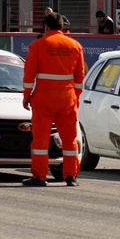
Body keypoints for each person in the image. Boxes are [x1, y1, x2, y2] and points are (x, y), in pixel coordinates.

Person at [22, 11, 86, 187]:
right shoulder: (75, 46)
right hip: (67, 99)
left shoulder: (38, 46)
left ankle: (39, 177)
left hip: (43, 100)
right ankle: (71, 176)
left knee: (40, 141)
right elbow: (80, 78)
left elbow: (29, 76)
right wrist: (75, 98)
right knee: (69, 140)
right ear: (62, 27)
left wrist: (26, 97)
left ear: (46, 27)